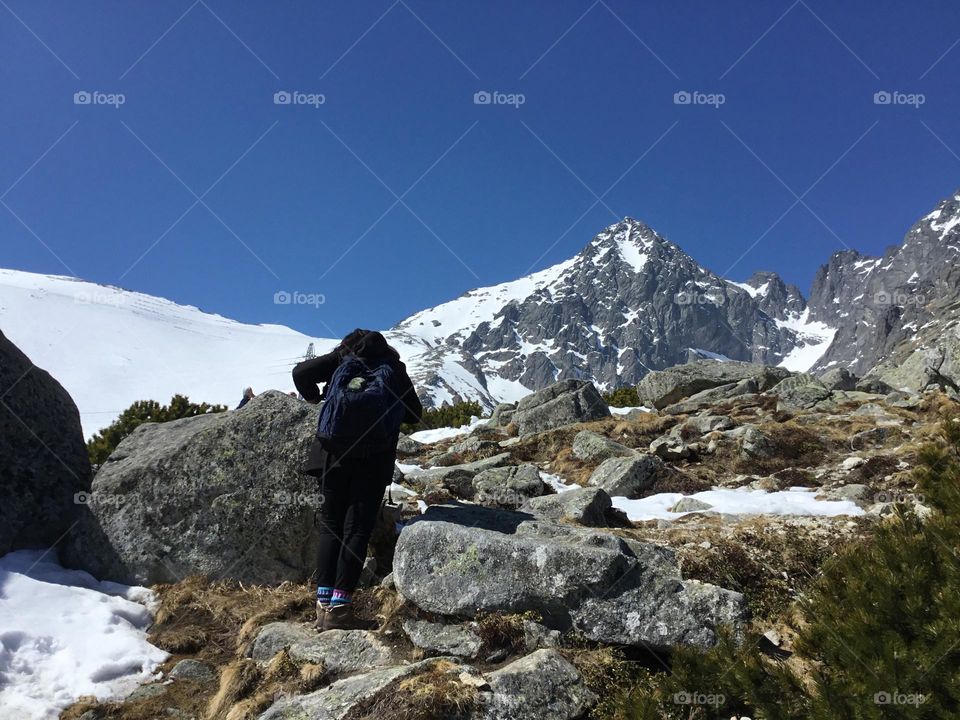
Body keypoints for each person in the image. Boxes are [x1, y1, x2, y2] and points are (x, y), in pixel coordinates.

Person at [293, 329, 422, 631]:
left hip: (331, 455)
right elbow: (414, 414)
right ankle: (340, 609)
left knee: (331, 527)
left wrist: (317, 397)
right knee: (356, 530)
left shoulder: (343, 358)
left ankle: (322, 606)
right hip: (373, 459)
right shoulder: (393, 367)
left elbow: (301, 373)